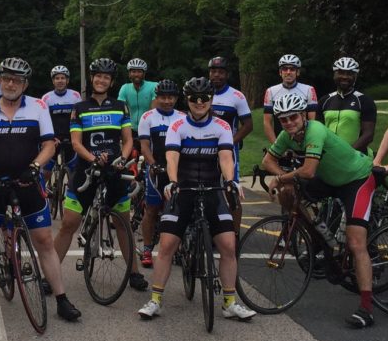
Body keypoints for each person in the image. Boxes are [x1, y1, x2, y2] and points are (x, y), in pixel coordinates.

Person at [0, 57, 82, 323]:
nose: (11, 84)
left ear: (25, 84)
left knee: (44, 241)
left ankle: (62, 300)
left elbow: (49, 145)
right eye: (7, 79)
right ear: (0, 80)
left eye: (17, 80)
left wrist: (35, 166)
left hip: (28, 183)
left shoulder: (38, 106)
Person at [137, 77, 254, 321]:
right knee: (167, 245)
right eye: (194, 98)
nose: (199, 103)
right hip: (184, 189)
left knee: (228, 245)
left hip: (213, 189)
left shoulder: (222, 126)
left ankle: (230, 303)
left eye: (204, 98)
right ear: (187, 100)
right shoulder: (177, 125)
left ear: (211, 99)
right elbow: (172, 157)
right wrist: (172, 181)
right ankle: (156, 300)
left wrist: (230, 181)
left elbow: (225, 157)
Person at [261, 93, 378, 329]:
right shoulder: (286, 135)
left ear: (303, 115)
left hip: (357, 179)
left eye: (293, 117)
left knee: (356, 243)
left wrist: (280, 178)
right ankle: (322, 242)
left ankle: (366, 308)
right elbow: (267, 161)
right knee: (289, 194)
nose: (289, 123)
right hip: (330, 180)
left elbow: (308, 171)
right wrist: (281, 177)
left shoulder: (315, 130)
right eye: (283, 119)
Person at [52, 57, 146, 292]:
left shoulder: (120, 106)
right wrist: (93, 159)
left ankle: (134, 273)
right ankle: (48, 275)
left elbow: (127, 140)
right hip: (86, 169)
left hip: (114, 169)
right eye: (98, 76)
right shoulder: (79, 108)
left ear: (111, 82)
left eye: (106, 77)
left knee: (122, 223)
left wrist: (122, 158)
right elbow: (76, 143)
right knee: (68, 223)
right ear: (92, 78)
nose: (101, 80)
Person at [136, 79, 182, 267]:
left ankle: (177, 248)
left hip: (176, 169)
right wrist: (153, 164)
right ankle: (147, 249)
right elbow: (145, 146)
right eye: (163, 97)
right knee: (152, 210)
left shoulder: (182, 117)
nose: (167, 101)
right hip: (156, 169)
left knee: (178, 210)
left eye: (171, 97)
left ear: (176, 98)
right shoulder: (148, 117)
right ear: (157, 97)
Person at [206, 55, 255, 224]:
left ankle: (235, 234)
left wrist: (230, 142)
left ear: (227, 74)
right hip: (204, 149)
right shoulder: (202, 93)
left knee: (231, 192)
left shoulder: (237, 96)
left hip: (228, 151)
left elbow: (248, 125)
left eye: (221, 72)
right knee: (206, 190)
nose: (216, 75)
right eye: (213, 71)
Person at [320, 57, 377, 153]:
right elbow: (318, 131)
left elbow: (368, 134)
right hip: (329, 156)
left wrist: (347, 153)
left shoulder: (364, 101)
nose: (345, 77)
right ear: (334, 74)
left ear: (355, 76)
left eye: (349, 73)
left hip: (355, 156)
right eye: (341, 72)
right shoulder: (324, 100)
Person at [262, 54, 319, 143]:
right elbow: (267, 122)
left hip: (303, 141)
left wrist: (308, 142)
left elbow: (312, 122)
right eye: (285, 69)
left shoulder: (309, 89)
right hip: (281, 140)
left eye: (292, 69)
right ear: (280, 72)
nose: (288, 72)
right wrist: (275, 145)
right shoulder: (271, 91)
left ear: (298, 72)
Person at [40, 64, 81, 181]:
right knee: (47, 170)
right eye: (57, 78)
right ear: (53, 81)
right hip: (53, 136)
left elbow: (79, 118)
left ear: (67, 80)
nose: (60, 81)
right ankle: (46, 189)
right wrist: (50, 137)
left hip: (70, 135)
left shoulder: (75, 95)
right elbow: (44, 120)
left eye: (63, 78)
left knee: (73, 169)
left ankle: (69, 189)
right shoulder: (46, 98)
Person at [117, 58, 156, 132]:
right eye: (133, 71)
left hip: (149, 129)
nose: (136, 74)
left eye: (139, 72)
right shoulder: (125, 88)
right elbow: (120, 108)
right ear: (129, 74)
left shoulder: (153, 86)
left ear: (144, 73)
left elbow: (154, 111)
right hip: (131, 129)